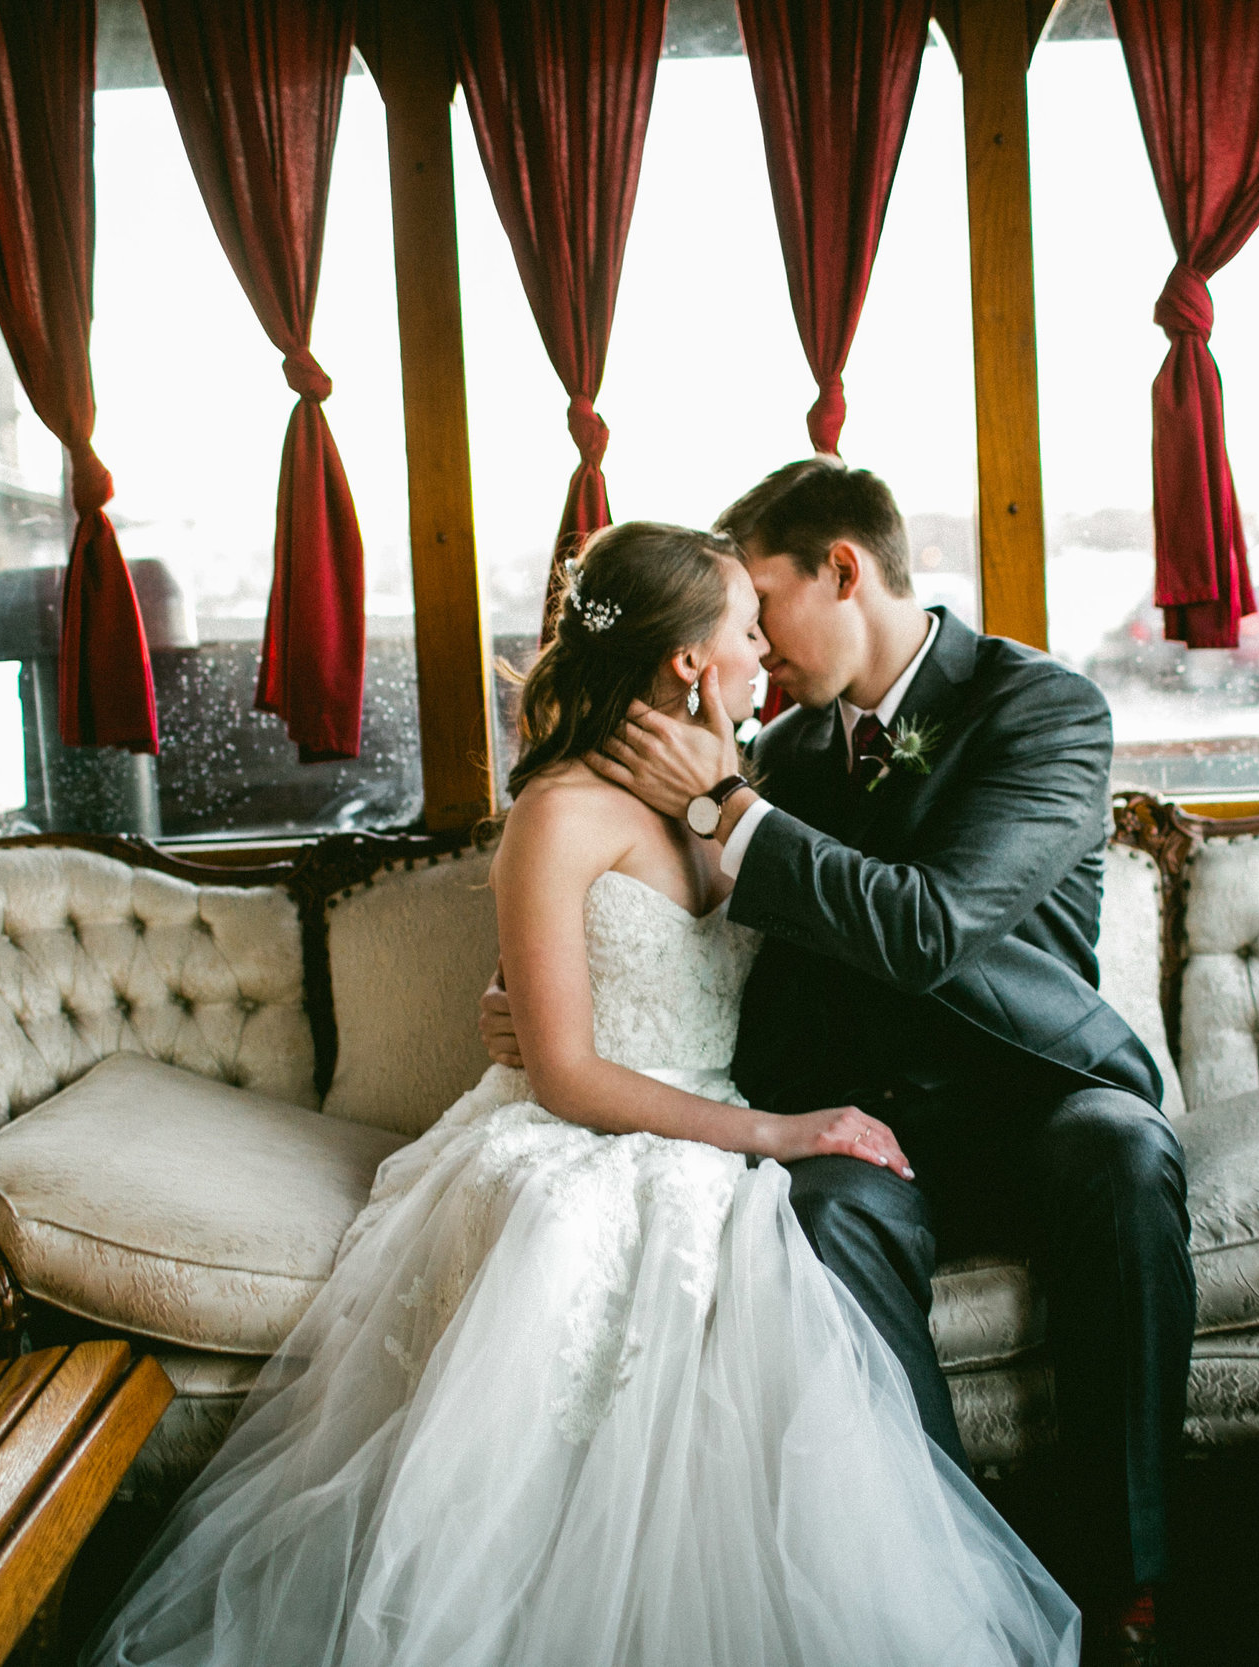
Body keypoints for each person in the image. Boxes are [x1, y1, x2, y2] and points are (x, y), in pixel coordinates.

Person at [85, 520, 1078, 1667]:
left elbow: (841, 944)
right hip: (587, 1123)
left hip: (707, 1118)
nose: (766, 653)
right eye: (746, 630)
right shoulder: (561, 809)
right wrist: (785, 1129)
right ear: (692, 660)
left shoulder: (740, 789)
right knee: (597, 1239)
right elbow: (563, 1069)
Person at [486, 459, 1196, 1664]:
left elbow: (926, 925)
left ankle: (1127, 1576)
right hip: (856, 1114)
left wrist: (728, 808)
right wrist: (547, 1004)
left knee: (1123, 1155)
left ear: (844, 569)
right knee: (817, 1208)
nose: (753, 640)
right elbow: (696, 936)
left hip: (1028, 1091)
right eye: (737, 625)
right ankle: (950, 1568)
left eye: (766, 605)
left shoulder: (1041, 710)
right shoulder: (779, 749)